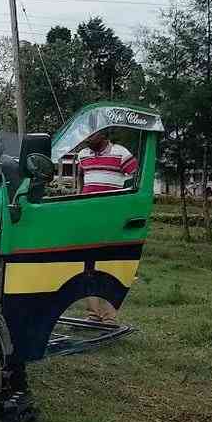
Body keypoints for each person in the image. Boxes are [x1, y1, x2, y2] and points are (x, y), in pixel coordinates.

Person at [77, 132, 139, 324]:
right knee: (88, 267)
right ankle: (93, 314)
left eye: (92, 135)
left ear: (103, 134)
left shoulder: (121, 153)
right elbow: (81, 178)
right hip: (88, 219)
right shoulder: (83, 155)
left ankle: (109, 317)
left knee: (110, 267)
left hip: (113, 220)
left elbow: (136, 179)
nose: (87, 138)